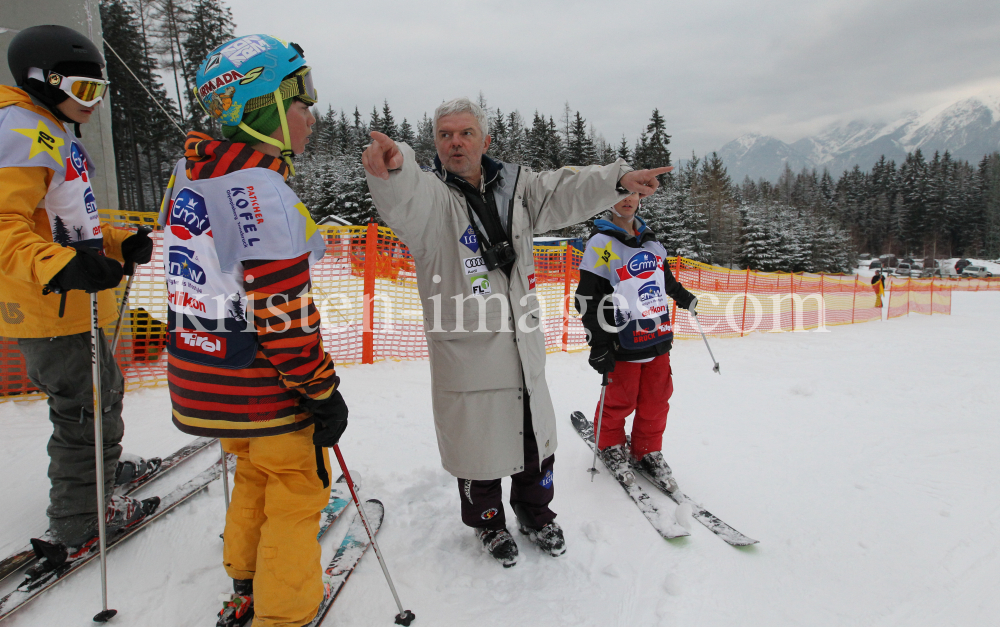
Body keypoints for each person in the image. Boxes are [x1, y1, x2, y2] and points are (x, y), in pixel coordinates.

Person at [362, 97, 670, 567]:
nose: (455, 142)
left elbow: (565, 188)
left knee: (533, 444)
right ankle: (488, 525)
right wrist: (396, 168)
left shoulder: (517, 188)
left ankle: (536, 514)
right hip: (469, 356)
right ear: (435, 145)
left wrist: (617, 180)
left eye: (465, 133)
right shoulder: (432, 200)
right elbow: (405, 200)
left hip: (522, 345)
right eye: (445, 135)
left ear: (485, 140)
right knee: (478, 450)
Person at [158, 35, 345, 627]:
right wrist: (321, 389)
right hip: (262, 386)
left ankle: (244, 574)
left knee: (253, 472)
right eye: (301, 100)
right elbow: (282, 314)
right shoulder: (262, 192)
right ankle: (283, 614)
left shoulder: (187, 171)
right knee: (297, 486)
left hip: (201, 373)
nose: (311, 116)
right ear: (260, 106)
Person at [1, 24, 159, 568]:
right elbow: (5, 226)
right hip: (48, 304)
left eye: (101, 91)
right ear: (42, 82)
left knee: (98, 393)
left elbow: (68, 222)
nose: (92, 103)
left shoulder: (48, 129)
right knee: (86, 405)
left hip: (60, 301)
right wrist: (63, 266)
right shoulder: (21, 130)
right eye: (83, 90)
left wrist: (117, 241)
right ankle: (80, 515)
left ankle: (99, 468)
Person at [574, 193, 697, 490]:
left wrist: (683, 297)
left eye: (633, 195)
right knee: (620, 399)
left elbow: (664, 279)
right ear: (608, 198)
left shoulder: (652, 242)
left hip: (656, 336)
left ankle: (647, 450)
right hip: (622, 340)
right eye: (620, 194)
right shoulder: (602, 244)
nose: (627, 201)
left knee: (656, 399)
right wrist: (599, 344)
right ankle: (610, 445)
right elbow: (587, 298)